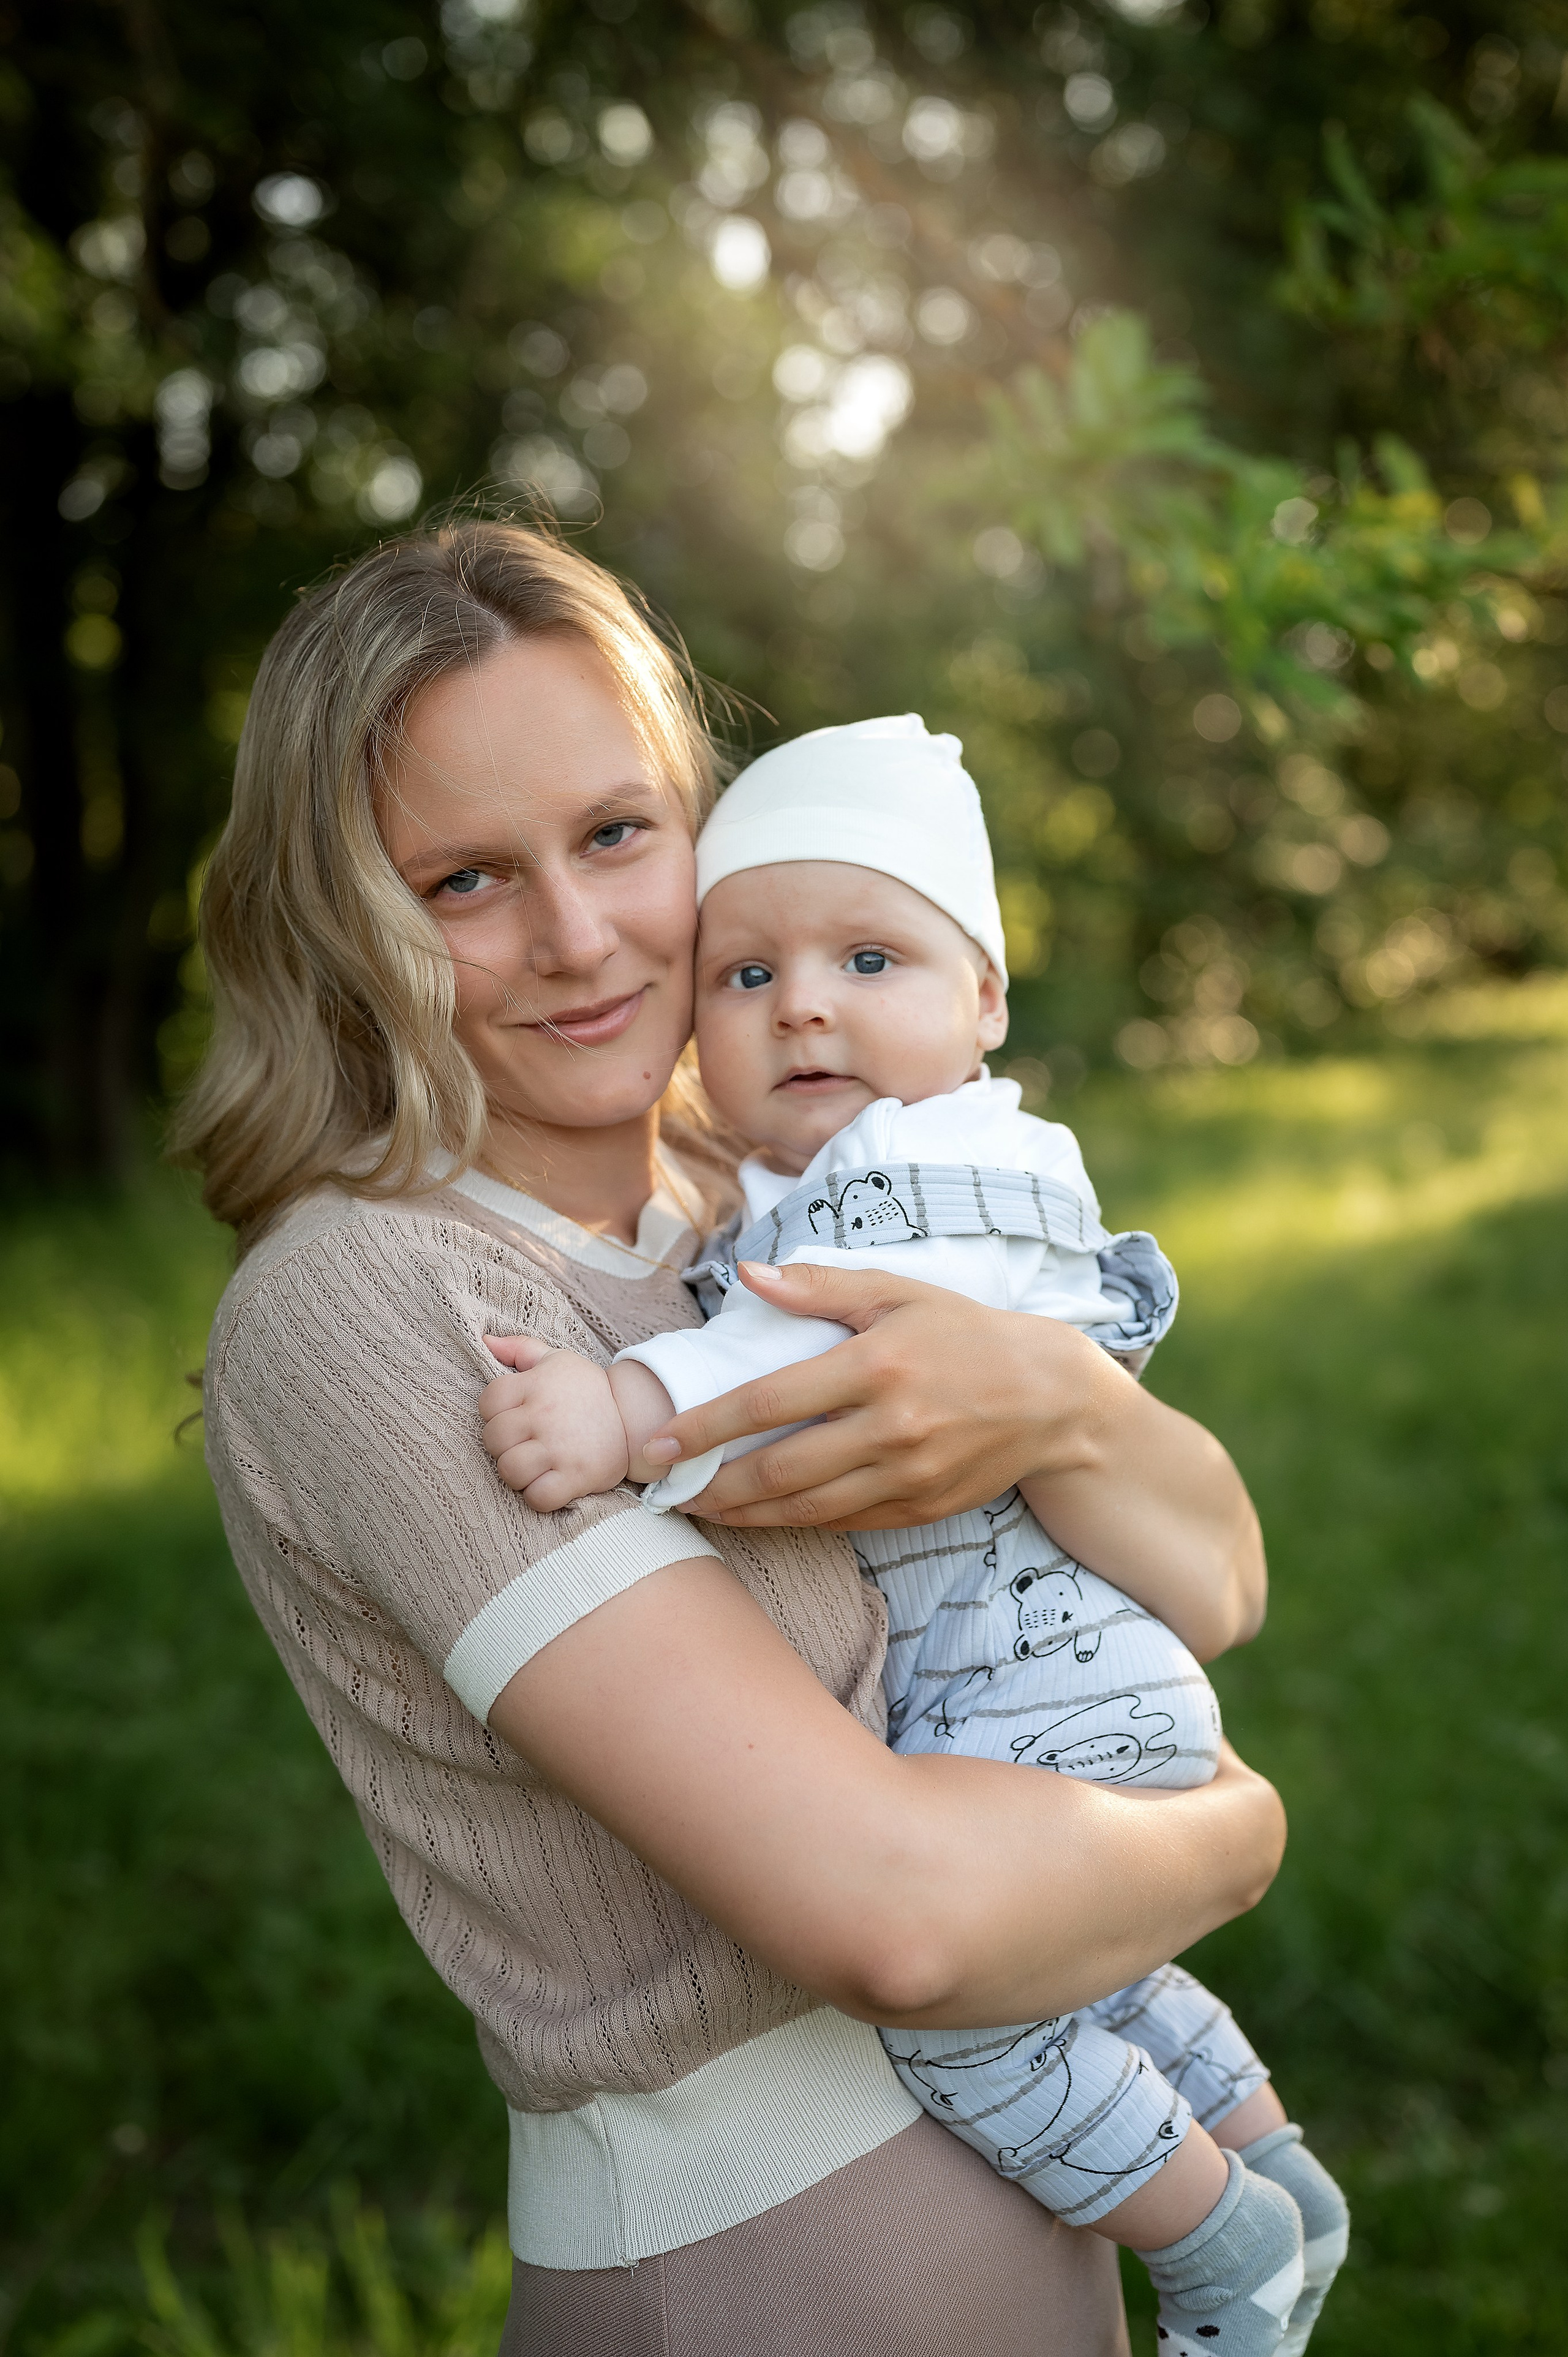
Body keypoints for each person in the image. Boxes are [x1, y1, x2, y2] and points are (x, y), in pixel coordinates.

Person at [176, 519, 1286, 2357]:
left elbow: (1223, 1578)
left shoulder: (768, 1198)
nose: (578, 936)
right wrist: (1232, 1836)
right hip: (759, 2278)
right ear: (350, 920)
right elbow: (899, 1929)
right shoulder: (370, 1304)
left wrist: (1063, 1397)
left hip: (1048, 2223)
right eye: (465, 879)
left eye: (619, 833)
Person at [478, 715, 1349, 2355]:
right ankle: (1279, 2169)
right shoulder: (845, 1166)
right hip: (1075, 1693)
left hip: (1036, 1697)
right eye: (746, 977)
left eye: (868, 955)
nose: (803, 1002)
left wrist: (623, 1412)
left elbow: (809, 1357)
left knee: (985, 2035)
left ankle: (1219, 2249)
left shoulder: (921, 1173)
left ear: (985, 1004)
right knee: (1101, 1984)